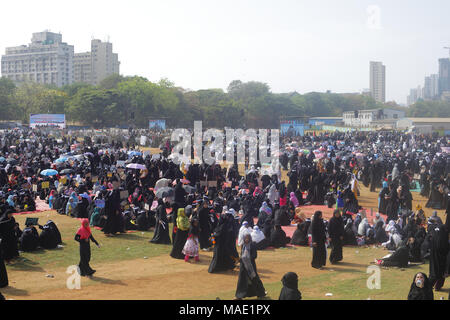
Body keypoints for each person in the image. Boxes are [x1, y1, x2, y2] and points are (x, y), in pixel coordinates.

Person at [234, 234, 266, 300]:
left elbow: (255, 255)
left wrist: (248, 258)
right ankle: (239, 296)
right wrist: (239, 260)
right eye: (245, 238)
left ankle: (261, 293)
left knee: (255, 279)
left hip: (251, 266)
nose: (246, 239)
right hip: (243, 266)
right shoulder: (243, 245)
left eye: (248, 238)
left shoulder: (252, 245)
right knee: (241, 280)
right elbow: (242, 255)